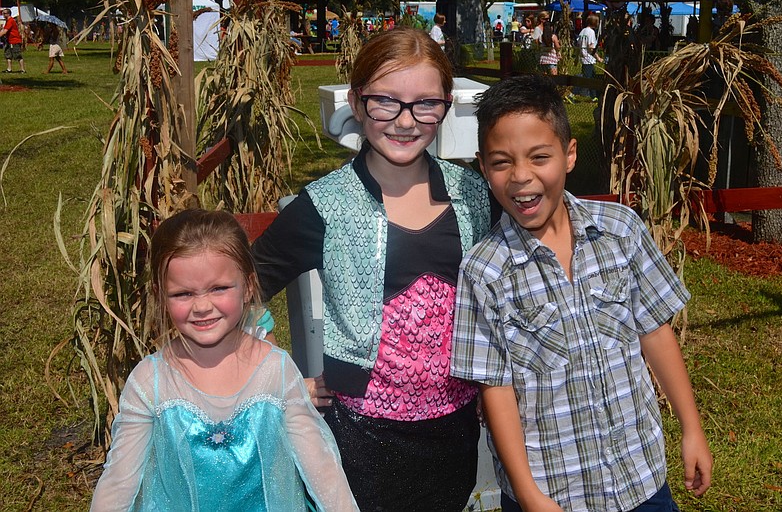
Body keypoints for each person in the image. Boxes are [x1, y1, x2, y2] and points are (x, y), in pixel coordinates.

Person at [251, 27, 496, 511]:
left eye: (426, 104)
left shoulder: (475, 196)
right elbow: (239, 288)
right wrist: (279, 379)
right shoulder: (324, 205)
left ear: (446, 106)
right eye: (386, 101)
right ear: (357, 103)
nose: (405, 121)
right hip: (360, 440)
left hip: (455, 433)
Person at [451, 75, 713, 512]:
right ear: (483, 166)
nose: (521, 176)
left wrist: (692, 427)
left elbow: (655, 332)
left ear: (569, 154)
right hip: (553, 492)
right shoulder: (483, 272)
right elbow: (496, 389)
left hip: (639, 476)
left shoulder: (621, 230)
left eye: (540, 157)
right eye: (501, 162)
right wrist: (529, 495)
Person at [90, 209, 359, 512]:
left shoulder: (275, 370)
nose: (202, 306)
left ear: (248, 286)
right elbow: (118, 482)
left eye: (218, 288)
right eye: (183, 294)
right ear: (160, 295)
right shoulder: (150, 382)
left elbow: (321, 467)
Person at [577, 14, 602, 99]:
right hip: (588, 58)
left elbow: (579, 43)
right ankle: (572, 93)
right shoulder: (591, 32)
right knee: (586, 79)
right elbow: (591, 47)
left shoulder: (583, 31)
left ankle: (593, 96)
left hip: (583, 57)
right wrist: (598, 58)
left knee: (592, 77)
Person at [0, 8, 25, 73]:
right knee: (8, 54)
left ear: (8, 14)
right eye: (2, 13)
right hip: (9, 40)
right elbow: (3, 30)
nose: (3, 15)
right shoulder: (7, 21)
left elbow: (5, 31)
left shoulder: (10, 20)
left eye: (4, 13)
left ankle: (22, 70)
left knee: (17, 55)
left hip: (14, 41)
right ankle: (9, 69)